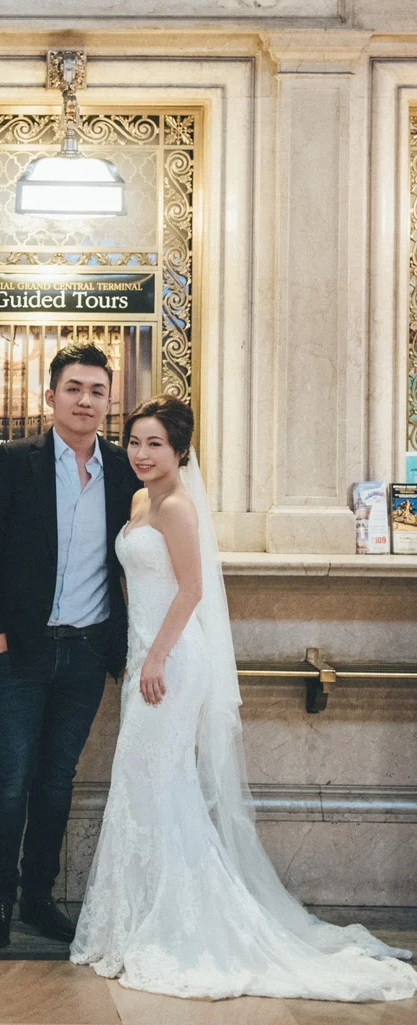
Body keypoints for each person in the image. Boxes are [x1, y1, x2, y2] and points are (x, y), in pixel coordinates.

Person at [71, 395, 417, 1002]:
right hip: (145, 656)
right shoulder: (139, 501)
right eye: (135, 442)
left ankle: (184, 925)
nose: (142, 454)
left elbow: (192, 590)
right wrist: (137, 654)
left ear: (181, 451)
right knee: (144, 786)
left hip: (172, 662)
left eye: (155, 444)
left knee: (159, 784)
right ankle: (139, 917)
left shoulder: (178, 508)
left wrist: (155, 658)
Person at [0, 341, 141, 950]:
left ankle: (38, 899)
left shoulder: (123, 469)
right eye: (74, 388)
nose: (85, 400)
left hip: (88, 650)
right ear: (50, 396)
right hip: (19, 651)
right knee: (11, 777)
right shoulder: (16, 462)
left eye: (97, 391)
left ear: (109, 402)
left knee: (57, 781)